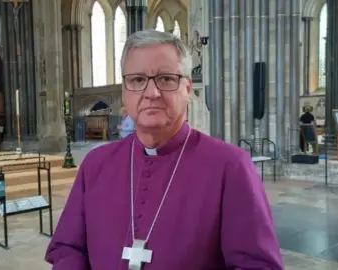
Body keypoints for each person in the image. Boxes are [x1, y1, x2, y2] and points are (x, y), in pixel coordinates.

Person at [45, 30, 283, 270]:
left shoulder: (230, 166)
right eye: (137, 80)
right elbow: (68, 248)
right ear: (124, 93)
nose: (151, 93)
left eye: (166, 79)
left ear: (187, 89)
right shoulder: (96, 163)